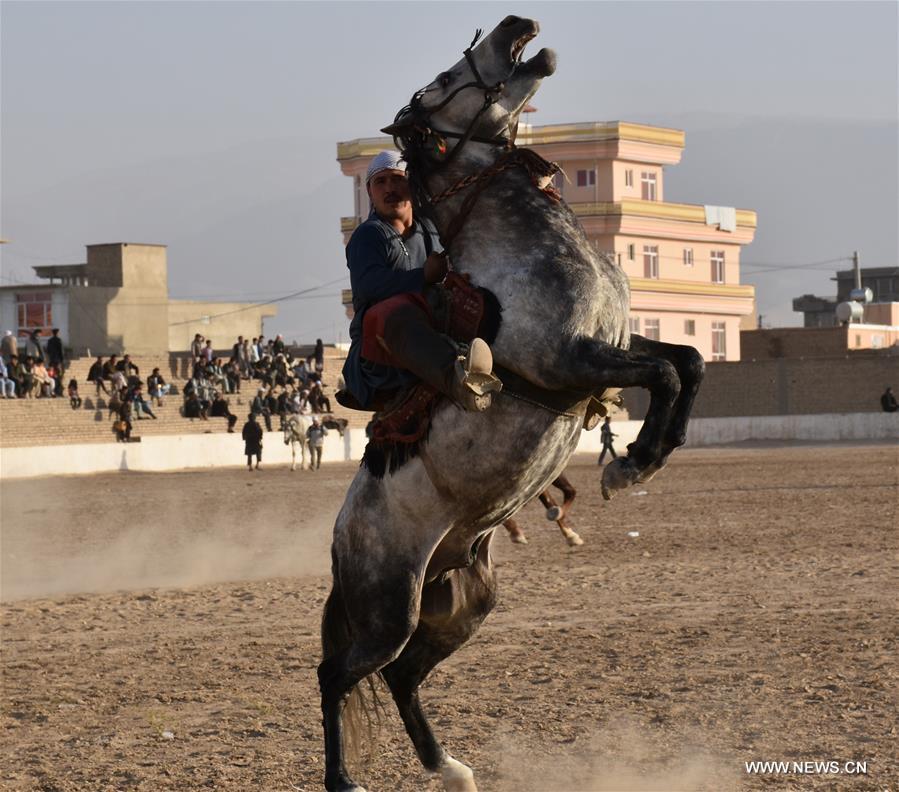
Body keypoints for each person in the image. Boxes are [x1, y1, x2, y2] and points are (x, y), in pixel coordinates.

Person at [340, 150, 501, 414]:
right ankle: (460, 382)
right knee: (392, 311)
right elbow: (368, 286)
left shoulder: (431, 230)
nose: (389, 188)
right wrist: (422, 276)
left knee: (483, 300)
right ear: (370, 191)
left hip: (434, 323)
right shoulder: (368, 235)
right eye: (380, 182)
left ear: (411, 184)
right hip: (383, 350)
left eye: (397, 179)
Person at [46, 328, 65, 396]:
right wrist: (62, 360)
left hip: (52, 361)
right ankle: (59, 391)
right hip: (58, 361)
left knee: (53, 375)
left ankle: (54, 390)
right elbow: (61, 351)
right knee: (59, 376)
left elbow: (48, 350)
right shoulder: (59, 340)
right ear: (57, 333)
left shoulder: (50, 341)